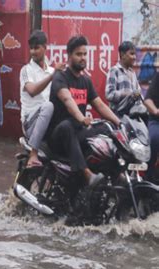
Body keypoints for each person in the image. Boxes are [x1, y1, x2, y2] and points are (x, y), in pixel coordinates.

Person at [48, 35, 121, 186]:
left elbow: (99, 105)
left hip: (77, 132)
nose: (83, 58)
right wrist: (81, 118)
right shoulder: (60, 77)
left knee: (107, 128)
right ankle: (87, 175)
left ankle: (116, 173)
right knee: (67, 125)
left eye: (85, 54)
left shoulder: (85, 81)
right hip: (58, 135)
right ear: (69, 56)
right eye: (78, 54)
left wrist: (118, 122)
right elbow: (68, 100)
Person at [20, 30, 65, 168]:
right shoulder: (26, 70)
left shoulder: (51, 71)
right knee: (48, 106)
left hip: (46, 121)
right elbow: (32, 91)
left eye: (36, 47)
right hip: (30, 123)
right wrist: (53, 76)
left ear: (45, 47)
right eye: (31, 48)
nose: (33, 51)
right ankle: (34, 153)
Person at [106, 41, 142, 113]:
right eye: (131, 54)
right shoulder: (114, 71)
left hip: (132, 116)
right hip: (118, 117)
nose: (134, 57)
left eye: (135, 54)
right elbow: (109, 94)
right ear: (122, 55)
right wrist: (128, 94)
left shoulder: (132, 73)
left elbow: (138, 93)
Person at [144, 71, 159, 181]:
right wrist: (156, 111)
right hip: (156, 121)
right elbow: (147, 100)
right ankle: (148, 176)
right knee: (153, 139)